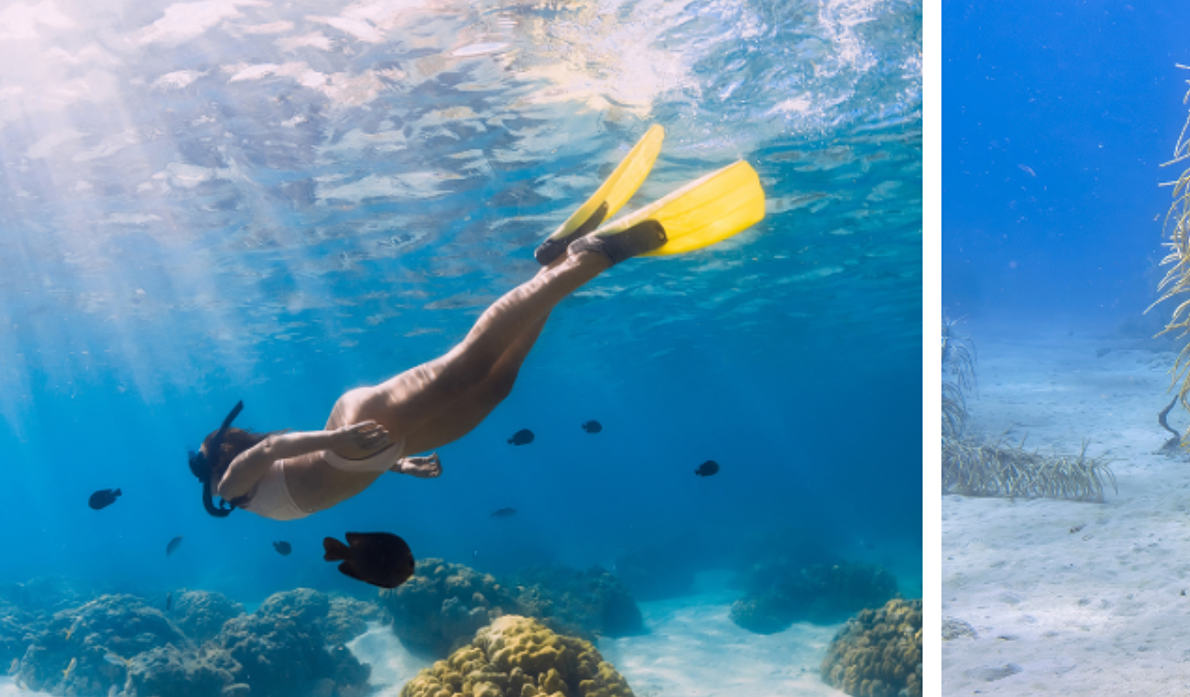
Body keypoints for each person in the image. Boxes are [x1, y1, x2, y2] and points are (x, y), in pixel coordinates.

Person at [187, 127, 763, 521]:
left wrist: (338, 440)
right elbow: (304, 470)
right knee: (495, 385)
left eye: (222, 452)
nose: (227, 455)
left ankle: (597, 254)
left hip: (353, 433)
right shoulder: (245, 493)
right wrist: (399, 467)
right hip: (377, 450)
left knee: (469, 364)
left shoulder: (229, 484)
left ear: (218, 460)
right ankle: (559, 264)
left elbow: (275, 452)